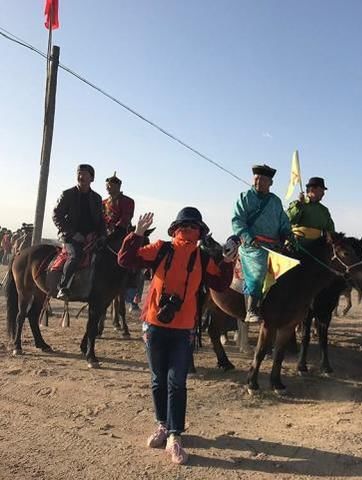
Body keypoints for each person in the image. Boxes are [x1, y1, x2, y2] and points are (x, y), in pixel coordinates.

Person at [118, 208, 235, 465]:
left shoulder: (198, 256)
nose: (190, 231)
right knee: (166, 381)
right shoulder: (164, 249)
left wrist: (227, 262)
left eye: (193, 227)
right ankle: (167, 430)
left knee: (169, 381)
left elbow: (126, 259)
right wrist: (136, 234)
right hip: (165, 327)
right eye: (189, 227)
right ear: (181, 229)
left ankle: (172, 433)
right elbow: (125, 259)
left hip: (171, 328)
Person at [231, 164, 291, 323]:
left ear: (270, 183)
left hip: (274, 245)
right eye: (256, 178)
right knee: (258, 269)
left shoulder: (275, 201)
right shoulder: (245, 197)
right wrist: (249, 238)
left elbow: (283, 221)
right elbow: (237, 221)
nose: (259, 182)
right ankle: (251, 310)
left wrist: (287, 233)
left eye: (263, 179)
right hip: (252, 246)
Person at [52, 164, 106, 299]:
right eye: (79, 173)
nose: (81, 176)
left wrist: (103, 235)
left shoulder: (97, 198)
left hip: (92, 237)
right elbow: (56, 215)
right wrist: (72, 233)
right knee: (75, 256)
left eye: (84, 174)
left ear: (92, 178)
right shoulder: (67, 194)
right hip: (71, 237)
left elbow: (100, 220)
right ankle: (63, 287)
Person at [287, 176, 335, 244]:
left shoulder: (324, 210)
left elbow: (330, 229)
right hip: (297, 243)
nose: (323, 193)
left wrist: (329, 235)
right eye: (321, 190)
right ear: (312, 189)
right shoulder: (297, 204)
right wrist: (299, 205)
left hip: (316, 245)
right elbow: (289, 219)